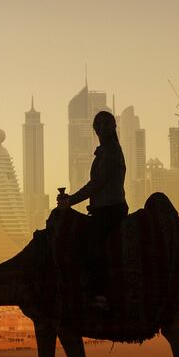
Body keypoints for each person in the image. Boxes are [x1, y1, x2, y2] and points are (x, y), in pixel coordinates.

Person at [57, 110, 127, 310]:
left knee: (91, 246)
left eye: (105, 125)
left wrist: (71, 201)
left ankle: (100, 295)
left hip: (110, 210)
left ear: (112, 128)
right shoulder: (105, 151)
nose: (101, 129)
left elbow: (97, 183)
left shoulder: (111, 152)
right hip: (103, 209)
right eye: (99, 125)